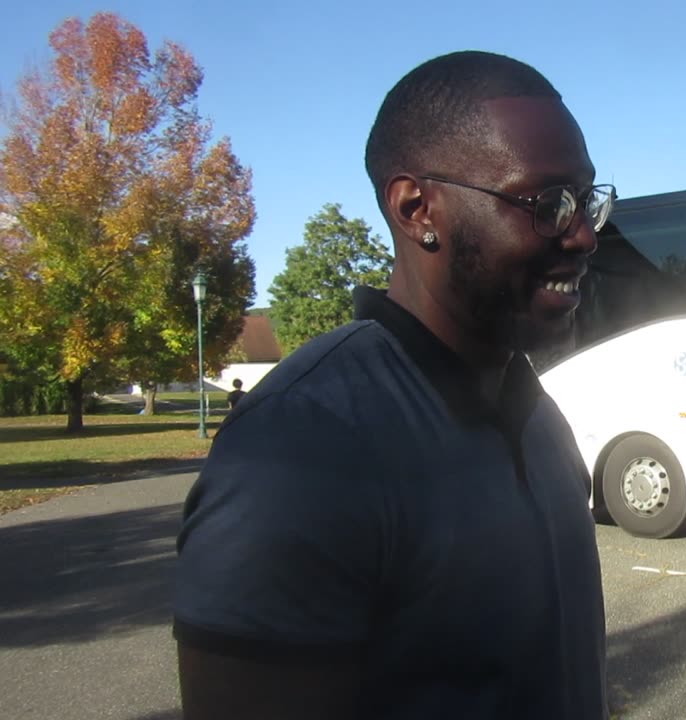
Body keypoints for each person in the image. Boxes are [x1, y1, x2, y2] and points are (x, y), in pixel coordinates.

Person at [173, 51, 615, 719]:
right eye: (548, 203)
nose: (582, 234)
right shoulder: (300, 451)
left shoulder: (534, 411)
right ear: (416, 210)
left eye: (586, 200)